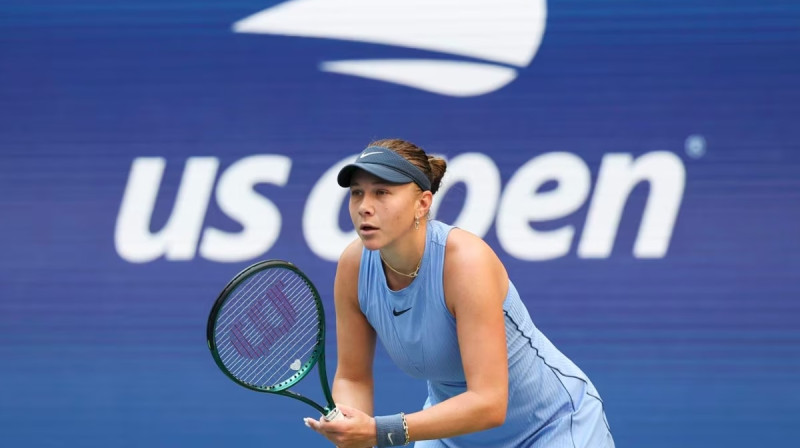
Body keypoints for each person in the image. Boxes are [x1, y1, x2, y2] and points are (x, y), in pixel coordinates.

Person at [304, 139, 615, 447]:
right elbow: (352, 378)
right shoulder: (353, 266)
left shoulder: (466, 262)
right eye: (357, 193)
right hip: (454, 438)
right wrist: (351, 431)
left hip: (551, 427)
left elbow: (489, 403)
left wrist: (378, 431)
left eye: (381, 192)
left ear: (422, 203)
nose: (364, 207)